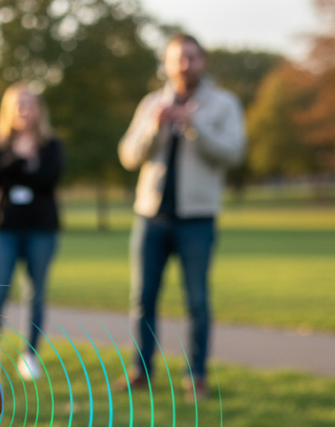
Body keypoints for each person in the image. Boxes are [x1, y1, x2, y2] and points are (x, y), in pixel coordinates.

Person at [118, 33, 246, 399]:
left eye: (191, 57)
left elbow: (233, 154)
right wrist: (154, 127)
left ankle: (197, 376)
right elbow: (128, 155)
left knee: (197, 301)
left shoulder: (223, 104)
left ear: (203, 61)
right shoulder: (151, 103)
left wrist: (194, 125)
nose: (184, 64)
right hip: (151, 216)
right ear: (168, 63)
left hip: (197, 219)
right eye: (177, 58)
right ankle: (141, 372)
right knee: (142, 298)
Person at [0, 84, 64, 381]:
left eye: (30, 104)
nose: (24, 110)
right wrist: (18, 158)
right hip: (4, 229)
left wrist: (23, 167)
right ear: (9, 110)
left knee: (36, 294)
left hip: (41, 228)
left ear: (38, 109)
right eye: (18, 104)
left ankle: (30, 355)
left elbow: (50, 178)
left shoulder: (50, 145)